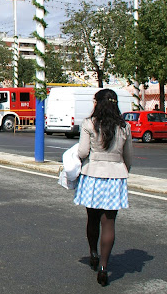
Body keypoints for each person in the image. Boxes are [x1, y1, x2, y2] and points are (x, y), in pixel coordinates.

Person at [74, 88, 133, 286]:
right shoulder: (124, 126)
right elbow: (128, 157)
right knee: (109, 223)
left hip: (93, 175)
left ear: (98, 103)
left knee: (92, 218)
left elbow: (83, 151)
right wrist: (123, 170)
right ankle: (103, 267)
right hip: (115, 176)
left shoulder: (89, 123)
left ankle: (93, 253)